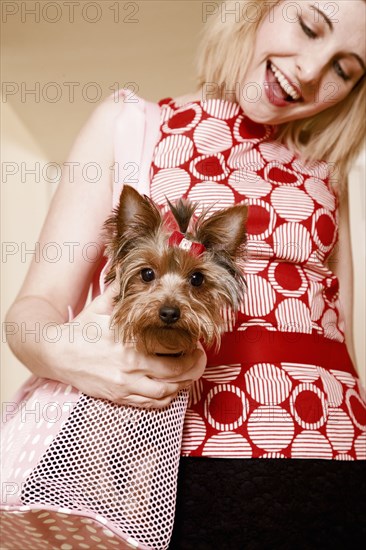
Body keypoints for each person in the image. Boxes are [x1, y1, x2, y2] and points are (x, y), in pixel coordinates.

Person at [4, 0, 366, 548]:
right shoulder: (131, 123)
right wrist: (71, 358)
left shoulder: (327, 171)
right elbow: (31, 316)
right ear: (255, 9)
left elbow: (342, 336)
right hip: (179, 460)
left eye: (345, 68)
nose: (310, 70)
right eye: (308, 25)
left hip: (342, 457)